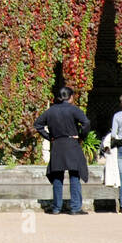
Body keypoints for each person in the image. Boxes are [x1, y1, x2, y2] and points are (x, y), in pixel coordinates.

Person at [34, 85, 91, 215]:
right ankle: (75, 208)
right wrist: (82, 136)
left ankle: (56, 207)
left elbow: (38, 125)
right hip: (71, 143)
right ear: (70, 97)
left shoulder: (51, 111)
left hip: (57, 144)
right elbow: (86, 123)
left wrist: (49, 137)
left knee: (57, 178)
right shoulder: (74, 110)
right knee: (74, 176)